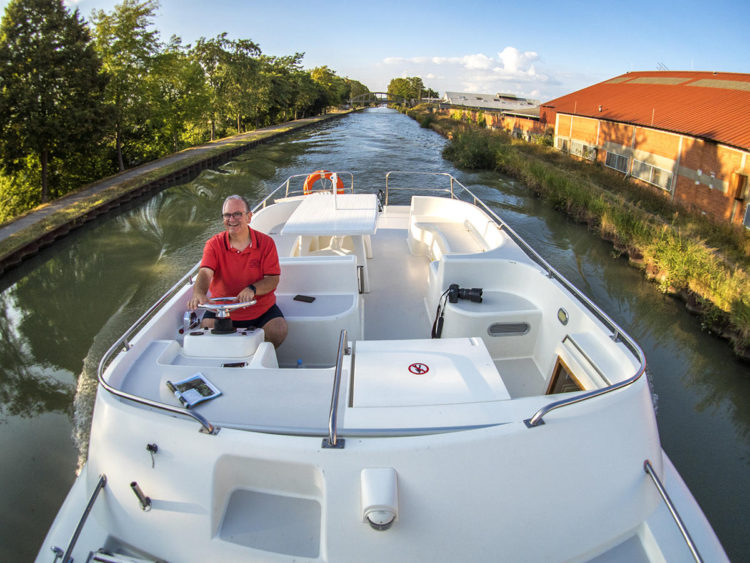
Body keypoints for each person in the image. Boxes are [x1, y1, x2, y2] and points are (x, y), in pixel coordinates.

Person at [188, 194, 288, 348]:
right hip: (222, 311)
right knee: (206, 329)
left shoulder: (266, 243)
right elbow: (205, 273)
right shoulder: (213, 244)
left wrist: (252, 289)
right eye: (227, 215)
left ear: (249, 217)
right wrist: (198, 293)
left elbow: (272, 279)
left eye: (237, 214)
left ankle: (258, 360)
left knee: (278, 330)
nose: (231, 219)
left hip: (260, 310)